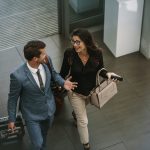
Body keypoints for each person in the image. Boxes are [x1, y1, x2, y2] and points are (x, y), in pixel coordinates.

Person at [7, 40, 77, 150]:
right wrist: (11, 119)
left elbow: (53, 73)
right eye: (43, 53)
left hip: (49, 110)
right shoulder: (17, 76)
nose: (46, 55)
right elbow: (12, 98)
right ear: (35, 59)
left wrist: (63, 82)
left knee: (44, 135)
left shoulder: (46, 61)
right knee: (37, 143)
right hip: (31, 115)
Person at [60, 28, 121, 150]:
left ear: (86, 41)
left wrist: (108, 74)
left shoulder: (97, 53)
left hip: (91, 91)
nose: (75, 45)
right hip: (75, 92)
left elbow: (101, 69)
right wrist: (63, 82)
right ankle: (86, 145)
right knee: (83, 121)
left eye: (78, 42)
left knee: (80, 111)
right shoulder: (69, 54)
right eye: (73, 41)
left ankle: (75, 113)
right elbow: (62, 73)